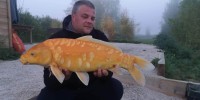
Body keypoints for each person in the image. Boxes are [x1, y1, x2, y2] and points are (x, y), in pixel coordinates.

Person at [37, 0, 123, 100]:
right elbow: (49, 82)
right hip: (66, 88)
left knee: (116, 87)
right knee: (45, 97)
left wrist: (104, 75)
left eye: (92, 18)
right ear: (73, 16)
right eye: (85, 16)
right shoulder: (55, 40)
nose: (90, 21)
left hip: (92, 86)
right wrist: (65, 77)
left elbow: (109, 72)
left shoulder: (99, 37)